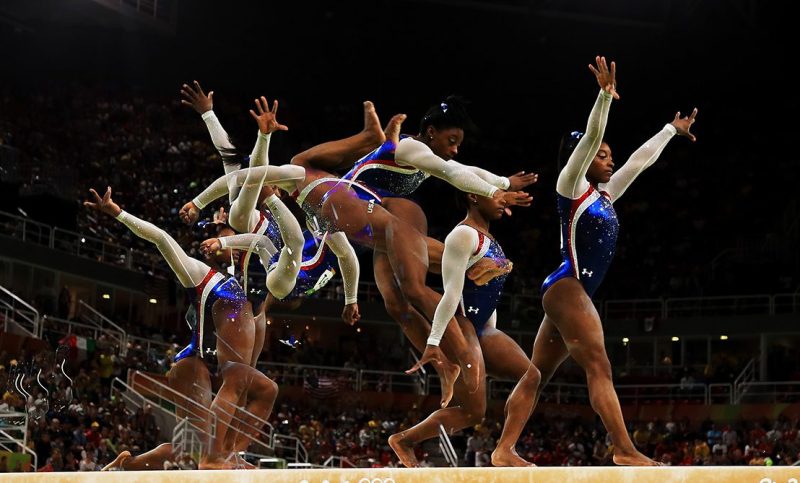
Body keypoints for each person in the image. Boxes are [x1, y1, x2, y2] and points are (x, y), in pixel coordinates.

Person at [490, 56, 698, 467]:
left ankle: (503, 449)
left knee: (537, 374)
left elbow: (638, 162)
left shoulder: (604, 195)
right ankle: (623, 448)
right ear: (582, 159)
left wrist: (669, 131)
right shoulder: (571, 186)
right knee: (599, 364)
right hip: (568, 286)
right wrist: (603, 99)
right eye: (602, 156)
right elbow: (589, 138)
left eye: (608, 155)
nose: (610, 160)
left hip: (568, 291)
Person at [85, 187, 278, 470]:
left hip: (225, 375)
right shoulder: (199, 273)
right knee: (200, 448)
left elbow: (270, 245)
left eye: (235, 237)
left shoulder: (251, 295)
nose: (232, 242)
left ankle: (222, 456)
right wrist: (118, 213)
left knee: (267, 390)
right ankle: (214, 458)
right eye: (225, 236)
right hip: (193, 365)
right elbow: (161, 239)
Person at [390, 190, 540, 467]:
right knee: (474, 413)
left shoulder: (489, 239)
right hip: (460, 325)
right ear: (473, 196)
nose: (503, 202)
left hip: (482, 328)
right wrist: (435, 341)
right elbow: (450, 294)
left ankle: (505, 449)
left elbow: (486, 293)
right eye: (496, 196)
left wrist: (491, 332)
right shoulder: (463, 235)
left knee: (531, 376)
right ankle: (405, 439)